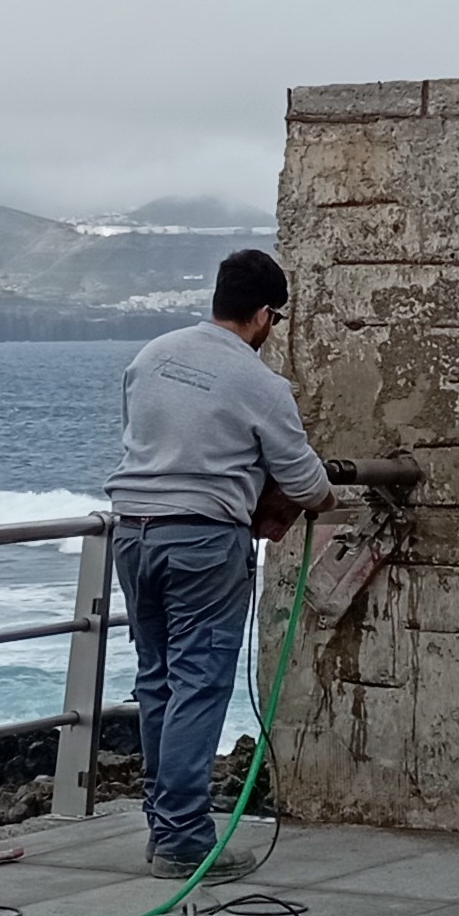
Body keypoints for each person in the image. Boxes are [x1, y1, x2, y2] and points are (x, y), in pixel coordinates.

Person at [105, 249, 335, 879]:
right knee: (200, 682)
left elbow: (142, 437)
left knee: (157, 678)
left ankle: (163, 826)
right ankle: (183, 840)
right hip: (204, 539)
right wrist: (313, 494)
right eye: (275, 321)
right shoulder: (259, 383)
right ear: (265, 314)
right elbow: (305, 480)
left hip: (133, 531)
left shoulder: (150, 356)